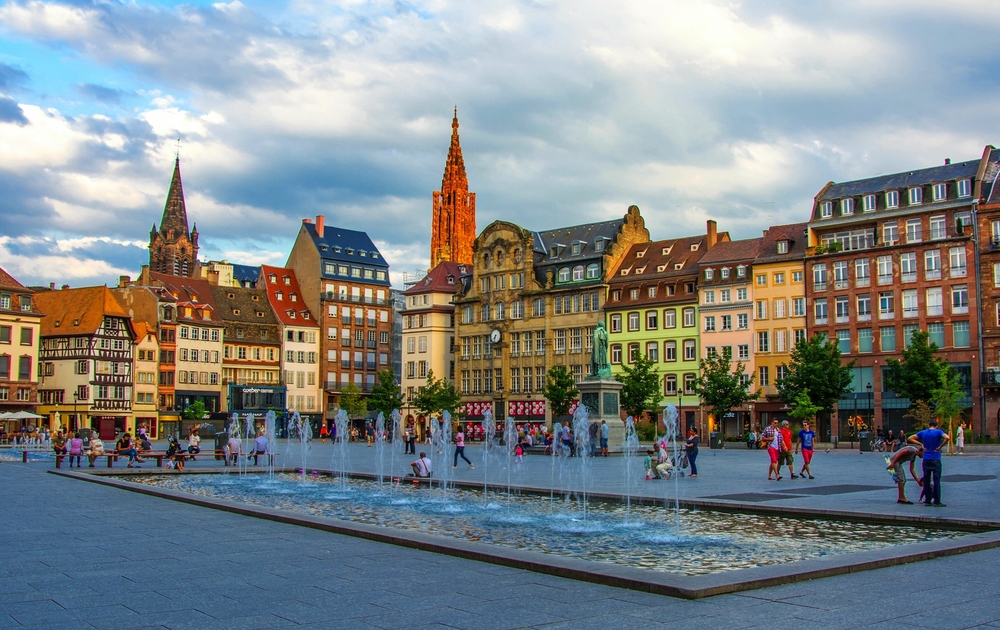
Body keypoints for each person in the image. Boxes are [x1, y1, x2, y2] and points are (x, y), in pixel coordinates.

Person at [908, 419, 950, 507]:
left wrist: (920, 444)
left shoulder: (923, 433)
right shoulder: (939, 432)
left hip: (926, 459)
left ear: (928, 425)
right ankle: (937, 501)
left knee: (926, 481)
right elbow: (947, 437)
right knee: (936, 480)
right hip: (936, 458)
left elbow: (910, 438)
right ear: (936, 426)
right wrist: (940, 446)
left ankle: (927, 500)